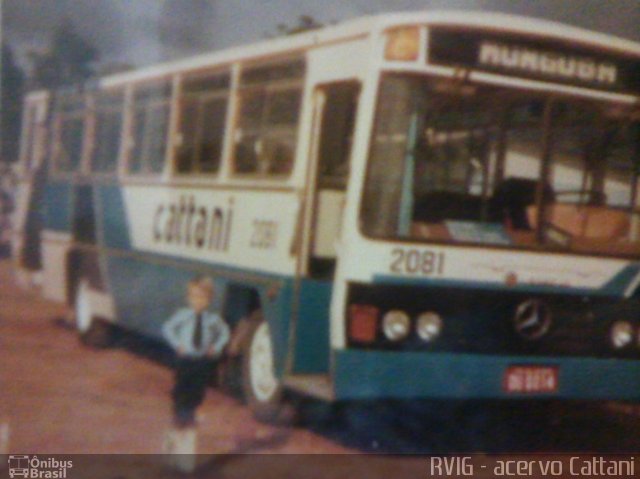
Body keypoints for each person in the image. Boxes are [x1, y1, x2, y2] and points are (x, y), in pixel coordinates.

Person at [162, 275, 230, 429]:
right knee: (182, 386)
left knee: (197, 389)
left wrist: (216, 347)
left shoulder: (213, 319)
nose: (198, 301)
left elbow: (225, 332)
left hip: (201, 360)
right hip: (185, 358)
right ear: (188, 298)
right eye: (194, 297)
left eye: (202, 297)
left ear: (209, 299)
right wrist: (177, 344)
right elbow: (168, 327)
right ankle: (179, 414)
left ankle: (190, 413)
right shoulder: (183, 315)